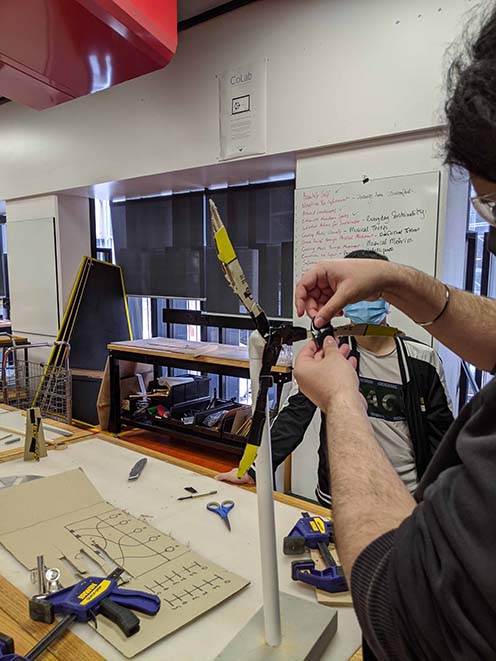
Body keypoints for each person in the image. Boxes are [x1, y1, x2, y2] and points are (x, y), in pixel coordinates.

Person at [292, 7, 496, 658]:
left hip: (391, 522)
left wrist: (342, 399)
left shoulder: (419, 366)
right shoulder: (344, 344)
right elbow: (291, 425)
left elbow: (399, 601)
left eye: (494, 203)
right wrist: (400, 280)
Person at [217, 249, 454, 508]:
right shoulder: (328, 355)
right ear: (343, 300)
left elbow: (442, 437)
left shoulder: (421, 360)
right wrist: (252, 471)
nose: (363, 300)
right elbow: (294, 415)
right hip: (340, 495)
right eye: (355, 293)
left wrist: (439, 502)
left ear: (388, 299)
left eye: (372, 292)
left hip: (406, 496)